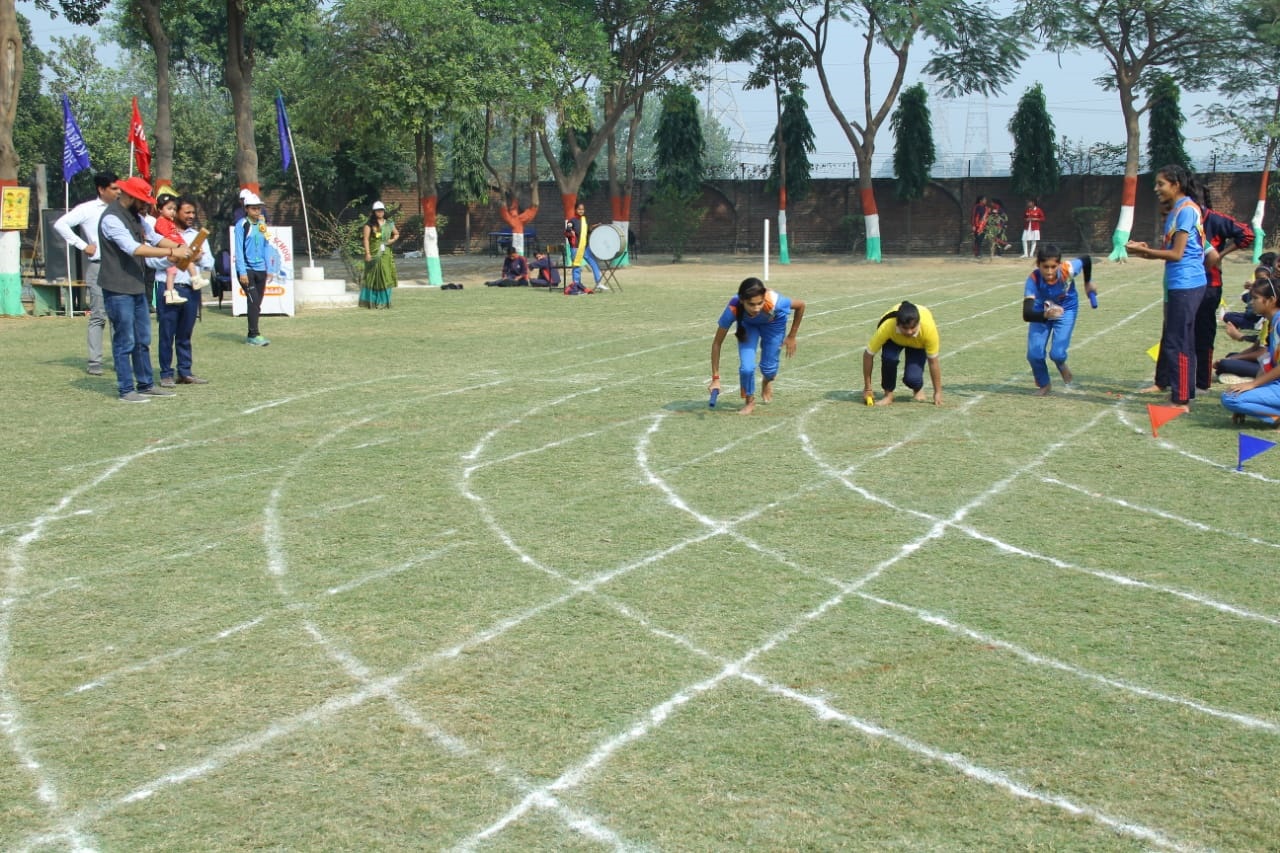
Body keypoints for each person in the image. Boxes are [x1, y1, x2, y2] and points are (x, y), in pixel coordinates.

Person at [96, 176, 191, 402]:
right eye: (141, 200)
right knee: (124, 340)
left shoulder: (138, 217)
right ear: (128, 196)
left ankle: (146, 384)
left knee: (142, 339)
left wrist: (182, 247)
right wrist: (173, 253)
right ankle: (126, 389)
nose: (145, 204)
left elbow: (157, 239)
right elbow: (134, 249)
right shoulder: (111, 218)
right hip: (117, 287)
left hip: (136, 286)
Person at [1125, 164, 1209, 410]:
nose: (1156, 189)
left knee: (1177, 341)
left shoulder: (1186, 210)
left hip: (1187, 283)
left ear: (1176, 184)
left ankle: (1180, 399)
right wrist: (1145, 251)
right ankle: (1185, 392)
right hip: (1178, 283)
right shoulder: (1175, 211)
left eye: (1161, 184)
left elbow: (1177, 253)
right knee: (1182, 339)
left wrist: (1145, 251)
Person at [1188, 176, 1254, 390]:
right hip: (1186, 284)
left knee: (1204, 332)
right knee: (1184, 331)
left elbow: (1246, 234)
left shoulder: (1215, 219)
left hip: (1209, 284)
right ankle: (1180, 378)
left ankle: (1202, 381)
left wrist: (1221, 254)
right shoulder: (1183, 219)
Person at [52, 170, 121, 376]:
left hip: (120, 267)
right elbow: (60, 224)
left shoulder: (122, 209)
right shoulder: (88, 209)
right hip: (99, 265)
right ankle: (95, 361)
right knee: (99, 314)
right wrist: (82, 245)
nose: (118, 192)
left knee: (119, 315)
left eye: (119, 188)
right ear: (101, 189)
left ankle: (121, 359)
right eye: (114, 188)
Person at [708, 277, 805, 415]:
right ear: (742, 300)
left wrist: (792, 336)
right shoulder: (733, 308)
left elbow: (801, 305)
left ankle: (766, 381)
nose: (756, 308)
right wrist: (715, 379)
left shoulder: (776, 302)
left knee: (770, 370)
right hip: (747, 326)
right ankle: (749, 401)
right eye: (751, 304)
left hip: (774, 324)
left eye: (760, 303)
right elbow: (717, 344)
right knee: (746, 368)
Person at [150, 198, 213, 387]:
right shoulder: (160, 233)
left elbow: (210, 262)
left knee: (185, 334)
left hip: (190, 289)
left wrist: (197, 258)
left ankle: (185, 372)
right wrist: (174, 258)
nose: (191, 216)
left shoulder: (198, 236)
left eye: (193, 213)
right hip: (169, 289)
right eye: (187, 212)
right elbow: (150, 261)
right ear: (176, 212)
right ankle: (166, 374)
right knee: (167, 334)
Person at [1022, 245, 1095, 394]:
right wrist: (1045, 315)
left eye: (1053, 267)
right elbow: (1027, 314)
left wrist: (1087, 283)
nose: (1049, 272)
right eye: (1045, 267)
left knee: (1057, 354)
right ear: (1038, 265)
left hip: (1066, 309)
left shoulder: (1067, 269)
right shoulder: (1033, 280)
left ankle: (1061, 365)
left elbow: (1086, 259)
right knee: (1034, 354)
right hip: (1041, 310)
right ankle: (1044, 384)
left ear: (1059, 265)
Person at [1221, 277, 1280, 426]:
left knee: (1230, 398)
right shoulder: (1272, 322)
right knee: (1233, 395)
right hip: (1275, 383)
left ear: (1271, 300)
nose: (1251, 302)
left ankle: (1275, 416)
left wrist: (1252, 385)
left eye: (1255, 298)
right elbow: (1268, 361)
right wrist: (1249, 393)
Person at [863, 300, 943, 406]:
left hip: (917, 344)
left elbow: (933, 362)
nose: (909, 332)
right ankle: (888, 395)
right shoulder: (888, 326)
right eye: (905, 328)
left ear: (918, 323)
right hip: (894, 339)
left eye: (913, 328)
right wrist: (868, 388)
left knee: (912, 379)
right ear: (897, 324)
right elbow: (868, 355)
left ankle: (917, 388)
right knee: (889, 358)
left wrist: (937, 392)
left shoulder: (928, 330)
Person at [234, 192, 272, 345]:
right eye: (254, 209)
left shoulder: (262, 224)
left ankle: (253, 334)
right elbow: (238, 249)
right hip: (247, 269)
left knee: (257, 303)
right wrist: (242, 271)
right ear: (247, 209)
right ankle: (253, 335)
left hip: (261, 269)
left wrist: (269, 268)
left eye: (259, 209)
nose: (258, 212)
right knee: (253, 301)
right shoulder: (242, 225)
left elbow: (267, 244)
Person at [150, 190, 187, 306]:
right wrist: (177, 244)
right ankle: (169, 292)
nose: (172, 212)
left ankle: (194, 280)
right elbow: (165, 237)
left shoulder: (170, 222)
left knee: (175, 270)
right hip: (167, 252)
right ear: (160, 209)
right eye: (169, 209)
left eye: (174, 209)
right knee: (171, 271)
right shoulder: (160, 222)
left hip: (175, 250)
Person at [359, 201, 399, 308]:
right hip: (373, 253)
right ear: (374, 212)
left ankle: (384, 302)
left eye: (381, 210)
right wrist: (367, 253)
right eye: (377, 210)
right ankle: (371, 301)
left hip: (386, 254)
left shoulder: (389, 223)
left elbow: (396, 233)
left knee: (385, 275)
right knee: (372, 276)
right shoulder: (369, 225)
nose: (380, 212)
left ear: (384, 211)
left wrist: (392, 240)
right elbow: (366, 239)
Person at [564, 201, 602, 292]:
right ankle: (576, 285)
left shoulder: (584, 220)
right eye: (579, 209)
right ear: (575, 210)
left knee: (594, 263)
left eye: (582, 209)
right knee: (577, 267)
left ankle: (599, 283)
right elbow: (567, 230)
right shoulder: (572, 221)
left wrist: (595, 227)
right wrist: (570, 232)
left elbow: (588, 230)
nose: (581, 211)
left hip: (585, 247)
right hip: (576, 248)